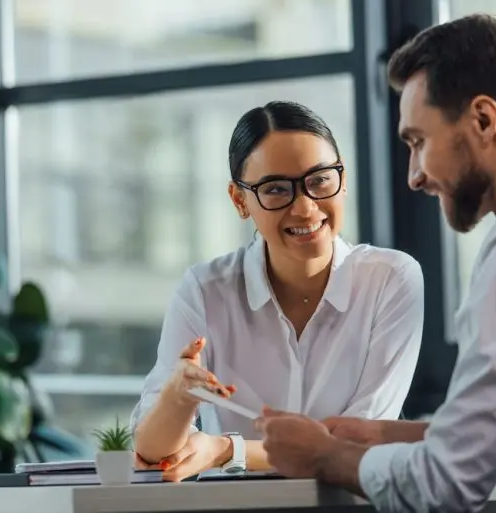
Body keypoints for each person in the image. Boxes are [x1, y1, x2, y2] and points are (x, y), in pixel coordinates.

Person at [256, 14, 496, 513]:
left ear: (484, 120)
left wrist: (324, 456)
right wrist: (388, 434)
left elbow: (444, 485)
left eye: (418, 142)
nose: (414, 177)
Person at [129, 101, 425, 482]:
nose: (304, 208)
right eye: (276, 189)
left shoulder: (391, 278)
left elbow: (362, 439)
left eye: (320, 180)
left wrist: (227, 450)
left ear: (343, 178)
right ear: (240, 200)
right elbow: (151, 451)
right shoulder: (205, 290)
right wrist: (178, 396)